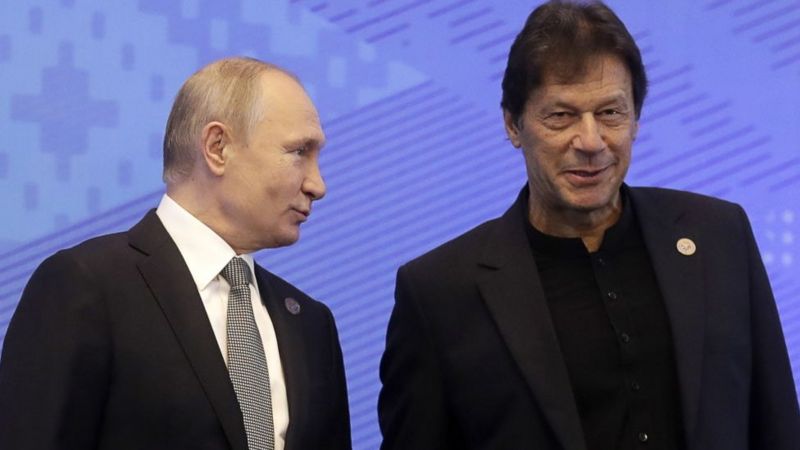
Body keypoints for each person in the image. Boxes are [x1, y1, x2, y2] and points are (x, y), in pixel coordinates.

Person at [378, 2, 799, 449]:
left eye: (610, 113)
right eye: (561, 116)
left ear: (635, 120)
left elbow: (778, 425)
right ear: (513, 125)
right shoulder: (440, 293)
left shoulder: (719, 235)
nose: (591, 142)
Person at [0, 57, 351, 450]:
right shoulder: (86, 287)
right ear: (218, 148)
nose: (318, 184)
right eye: (299, 151)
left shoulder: (311, 324)